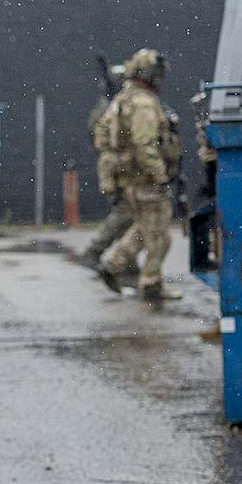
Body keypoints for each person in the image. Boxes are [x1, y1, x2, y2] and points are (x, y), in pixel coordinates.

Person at [96, 48, 181, 302]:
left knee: (145, 229)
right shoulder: (143, 102)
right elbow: (145, 145)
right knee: (160, 235)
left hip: (132, 179)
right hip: (146, 180)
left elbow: (102, 133)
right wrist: (160, 175)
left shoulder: (123, 99)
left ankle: (113, 265)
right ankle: (151, 284)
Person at [76, 63, 133, 273]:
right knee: (124, 211)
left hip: (117, 165)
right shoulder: (108, 110)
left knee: (129, 212)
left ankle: (128, 259)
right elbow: (99, 137)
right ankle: (94, 251)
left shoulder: (116, 107)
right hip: (114, 167)